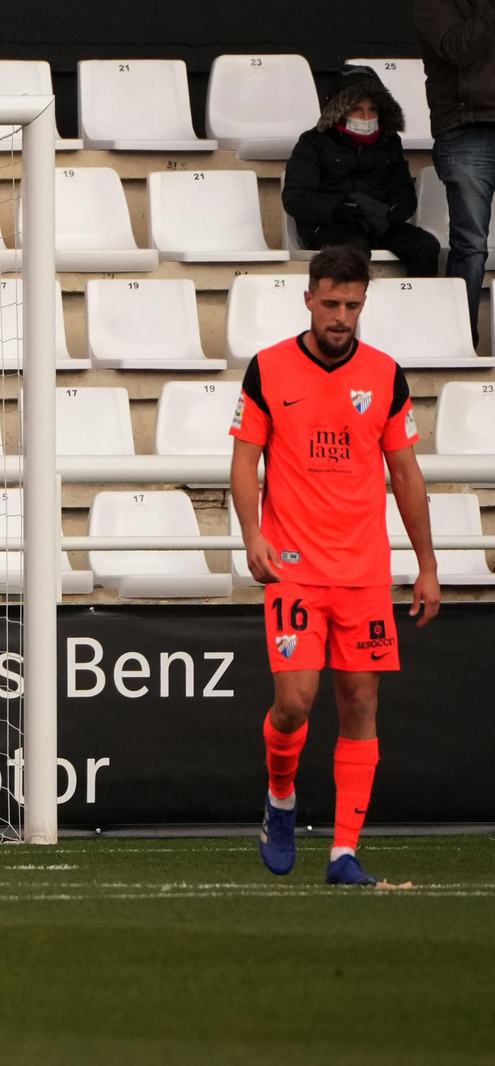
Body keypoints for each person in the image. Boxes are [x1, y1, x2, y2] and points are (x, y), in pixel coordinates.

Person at [230, 245, 440, 888]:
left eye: (351, 305)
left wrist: (427, 565)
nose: (340, 316)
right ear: (309, 298)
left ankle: (344, 852)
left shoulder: (385, 375)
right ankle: (281, 796)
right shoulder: (268, 369)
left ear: (363, 303)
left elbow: (404, 473)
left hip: (365, 575)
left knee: (360, 703)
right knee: (295, 701)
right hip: (292, 565)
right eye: (330, 303)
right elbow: (244, 462)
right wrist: (252, 535)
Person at [283, 65, 440, 278]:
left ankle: (418, 308)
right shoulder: (312, 142)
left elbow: (403, 190)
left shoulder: (389, 141)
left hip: (379, 224)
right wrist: (338, 208)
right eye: (357, 109)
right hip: (329, 225)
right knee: (353, 251)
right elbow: (295, 198)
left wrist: (398, 209)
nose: (366, 116)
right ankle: (354, 308)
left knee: (426, 246)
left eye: (373, 109)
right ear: (339, 111)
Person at [418, 0, 495, 341]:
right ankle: (461, 341)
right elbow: (457, 48)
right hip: (467, 129)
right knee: (472, 244)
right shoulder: (433, 4)